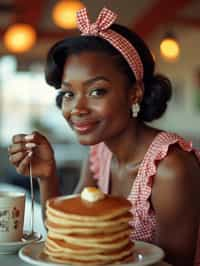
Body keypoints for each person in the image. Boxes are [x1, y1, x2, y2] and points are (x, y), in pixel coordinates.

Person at [7, 7, 200, 266]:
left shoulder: (171, 168)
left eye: (97, 91)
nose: (77, 108)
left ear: (135, 93)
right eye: (68, 94)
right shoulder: (100, 155)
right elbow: (69, 237)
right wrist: (47, 174)